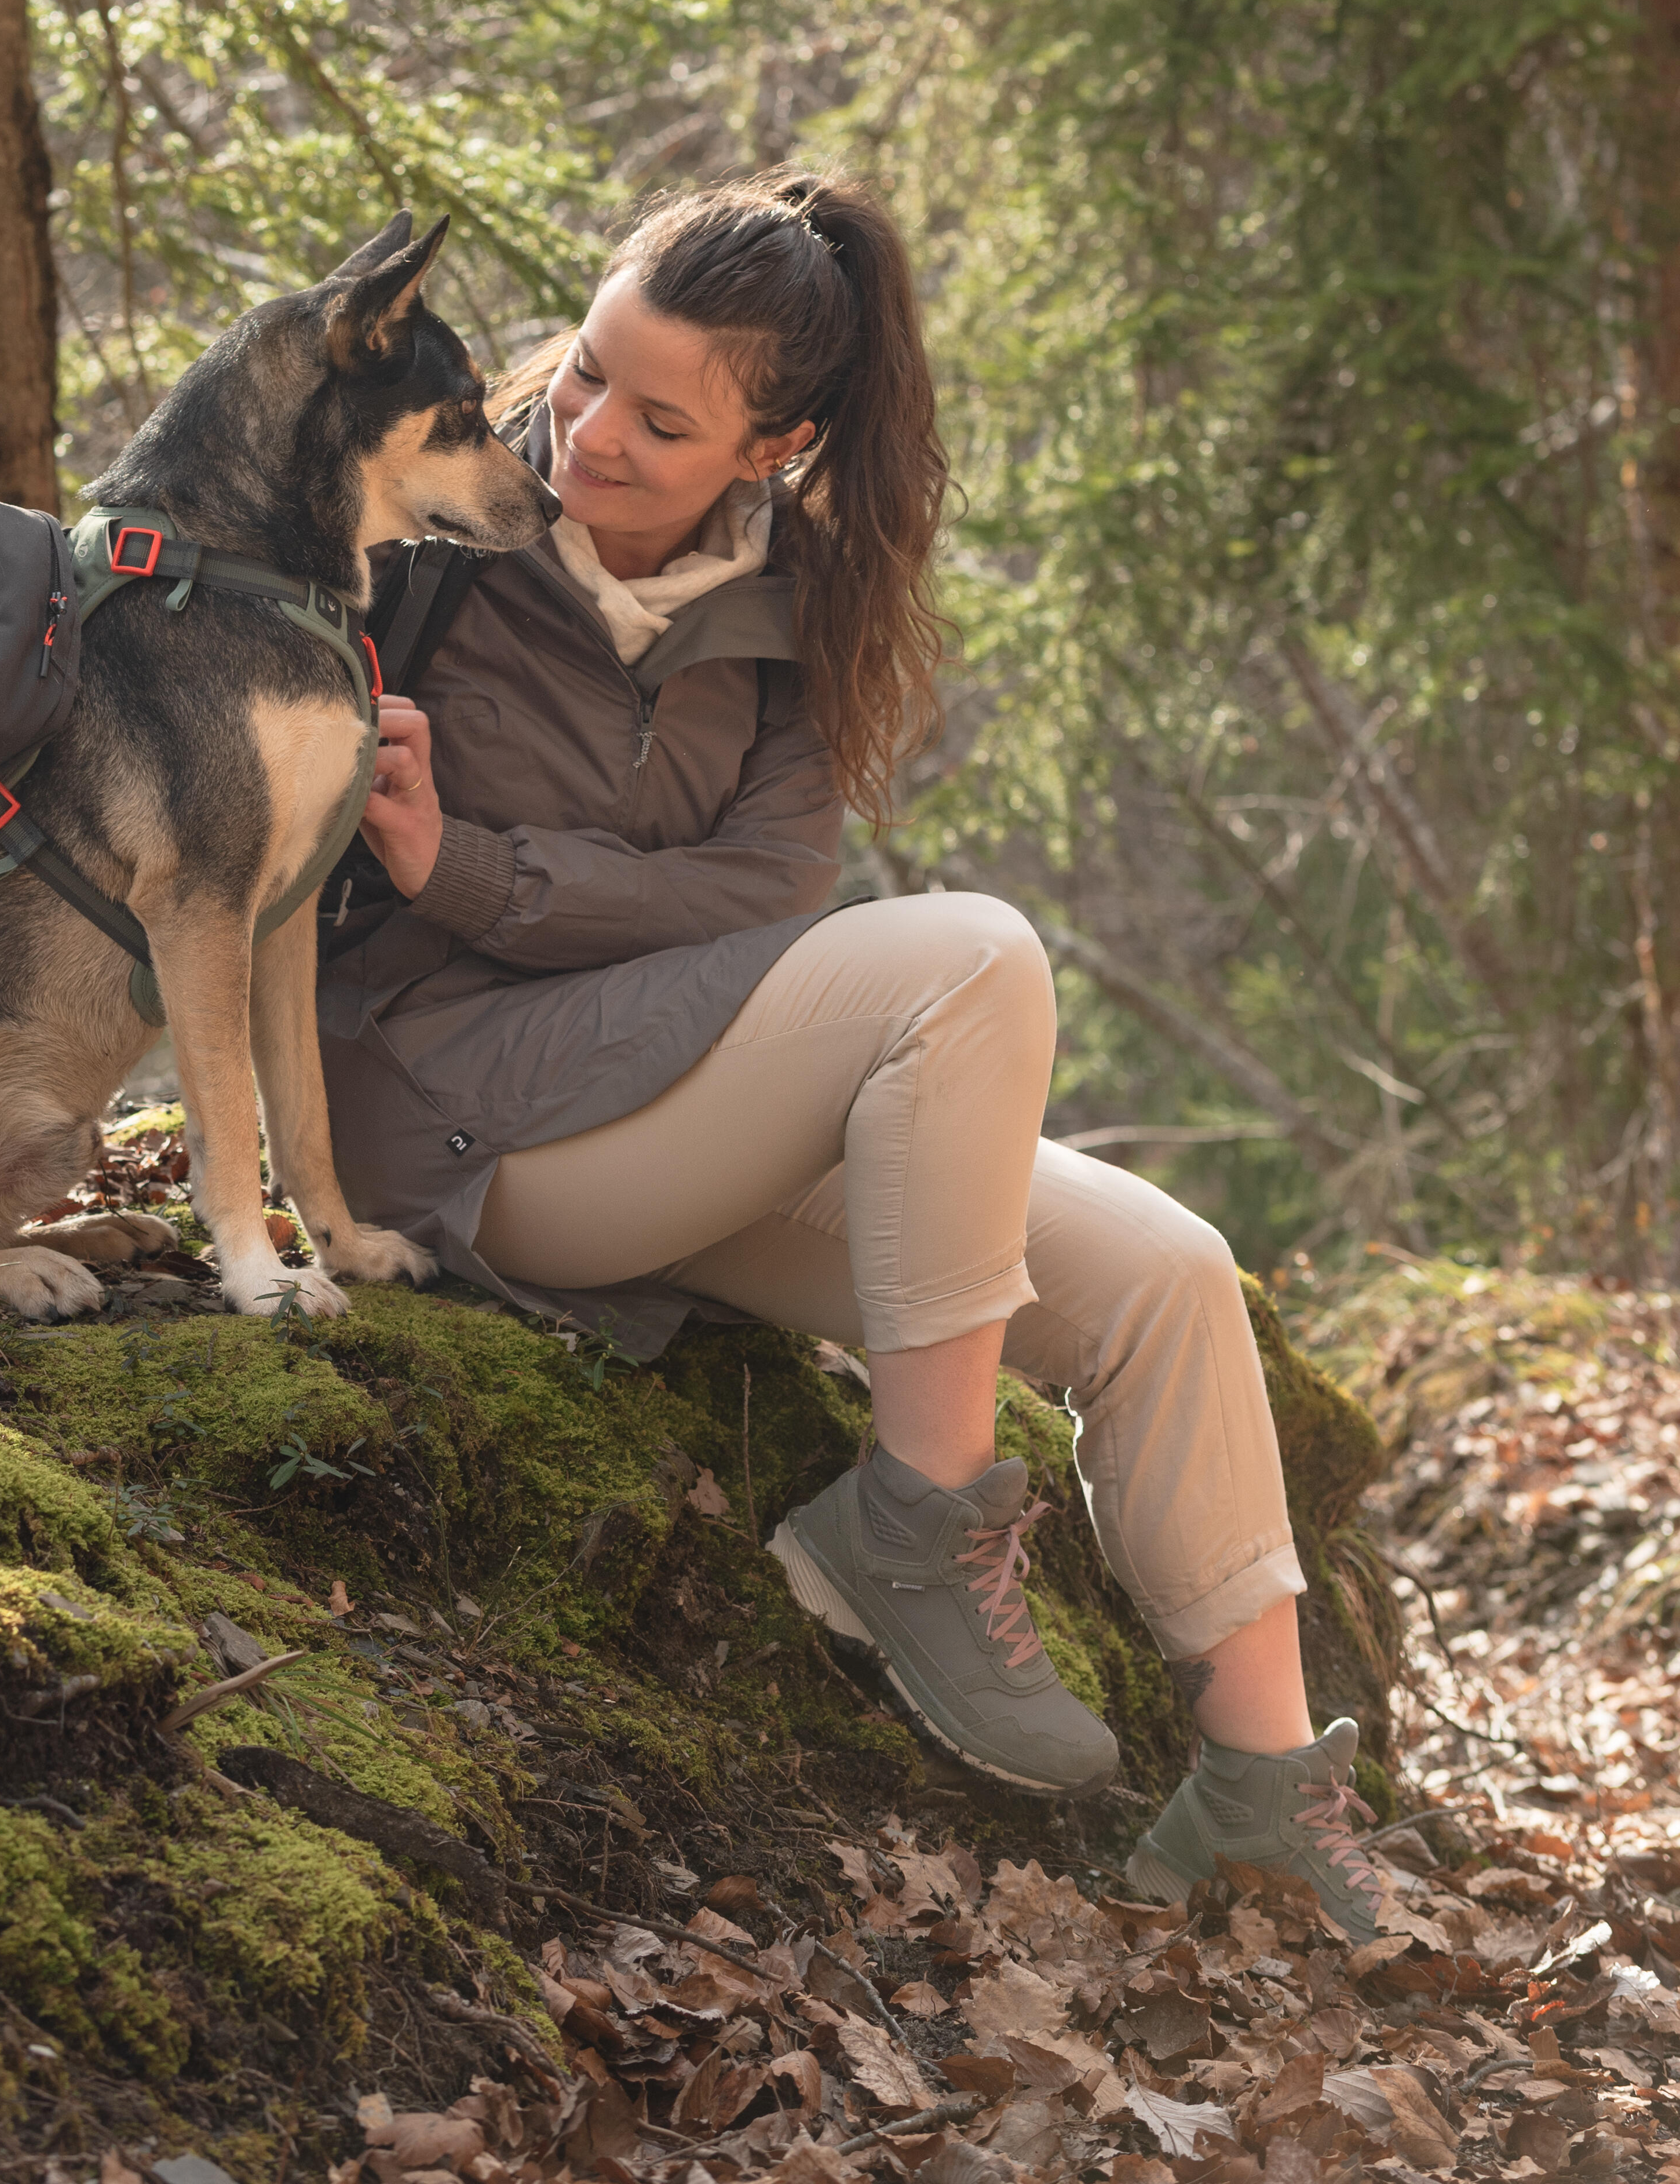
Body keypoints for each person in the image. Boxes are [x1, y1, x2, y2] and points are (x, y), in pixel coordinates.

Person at [314, 172, 1380, 1934]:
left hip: (666, 1101)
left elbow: (767, 895)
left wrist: (485, 872)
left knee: (1168, 1275)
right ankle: (918, 1516)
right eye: (583, 373)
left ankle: (1259, 1790)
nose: (585, 434)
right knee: (967, 961)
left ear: (777, 442)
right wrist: (445, 879)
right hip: (454, 1119)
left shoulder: (798, 598)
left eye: (661, 421)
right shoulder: (429, 518)